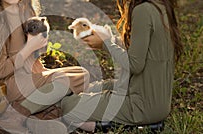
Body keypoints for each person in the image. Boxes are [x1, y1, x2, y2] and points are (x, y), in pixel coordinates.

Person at [61, 0, 183, 133]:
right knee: (82, 88)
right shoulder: (159, 5)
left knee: (68, 106)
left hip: (140, 106)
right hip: (152, 98)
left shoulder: (142, 10)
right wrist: (110, 40)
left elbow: (135, 65)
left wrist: (105, 44)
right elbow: (141, 52)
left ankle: (126, 126)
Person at [0, 0, 89, 133]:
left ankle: (34, 119)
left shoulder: (26, 10)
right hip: (9, 84)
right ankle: (13, 117)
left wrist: (40, 39)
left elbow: (36, 55)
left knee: (82, 75)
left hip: (32, 75)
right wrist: (29, 47)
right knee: (63, 81)